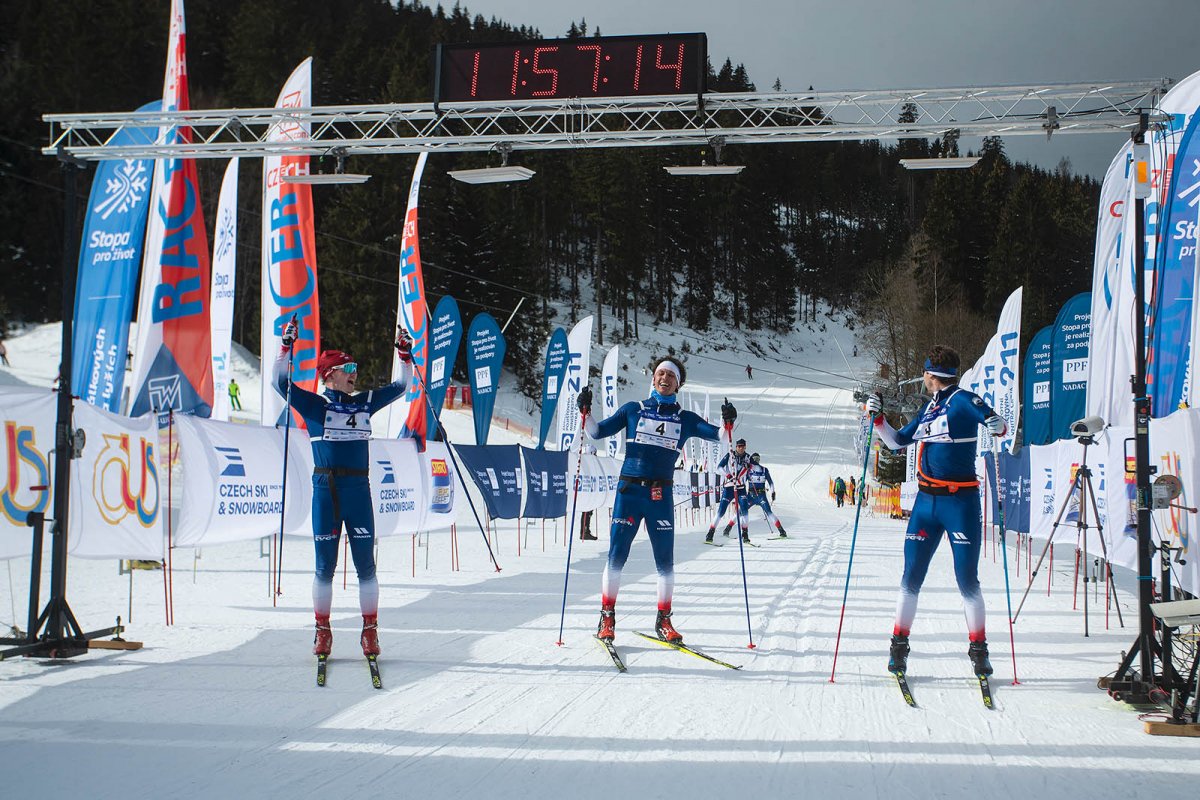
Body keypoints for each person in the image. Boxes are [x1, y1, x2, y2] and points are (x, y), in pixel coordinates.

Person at [274, 320, 413, 660]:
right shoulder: (314, 405)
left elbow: (401, 386)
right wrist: (285, 348)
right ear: (330, 374)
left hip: (358, 489)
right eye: (348, 368)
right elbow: (280, 383)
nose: (355, 373)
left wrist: (404, 353)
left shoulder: (364, 401)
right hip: (326, 488)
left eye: (355, 367)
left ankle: (370, 631)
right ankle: (322, 631)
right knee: (325, 567)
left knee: (367, 566)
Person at [866, 344, 1007, 677]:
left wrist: (994, 421)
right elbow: (897, 442)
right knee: (911, 576)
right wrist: (878, 419)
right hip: (926, 505)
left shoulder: (960, 399)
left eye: (925, 372)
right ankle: (898, 648)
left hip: (959, 503)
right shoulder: (930, 408)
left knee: (966, 581)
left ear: (930, 374)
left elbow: (997, 425)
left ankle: (978, 650)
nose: (923, 377)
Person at [577, 356, 733, 644]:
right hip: (630, 492)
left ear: (678, 384)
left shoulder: (685, 419)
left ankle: (664, 620)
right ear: (653, 379)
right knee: (616, 556)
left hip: (660, 495)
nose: (664, 378)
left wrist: (728, 421)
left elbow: (721, 438)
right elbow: (597, 433)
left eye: (670, 376)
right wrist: (585, 411)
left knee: (665, 561)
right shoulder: (632, 410)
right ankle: (607, 617)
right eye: (660, 373)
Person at [706, 438, 752, 543]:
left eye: (742, 446)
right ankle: (710, 533)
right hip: (729, 487)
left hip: (740, 488)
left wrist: (749, 467)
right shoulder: (730, 455)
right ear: (736, 447)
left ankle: (745, 534)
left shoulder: (748, 457)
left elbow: (752, 467)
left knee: (745, 510)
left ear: (745, 447)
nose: (740, 448)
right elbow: (719, 468)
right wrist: (727, 474)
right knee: (721, 511)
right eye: (738, 446)